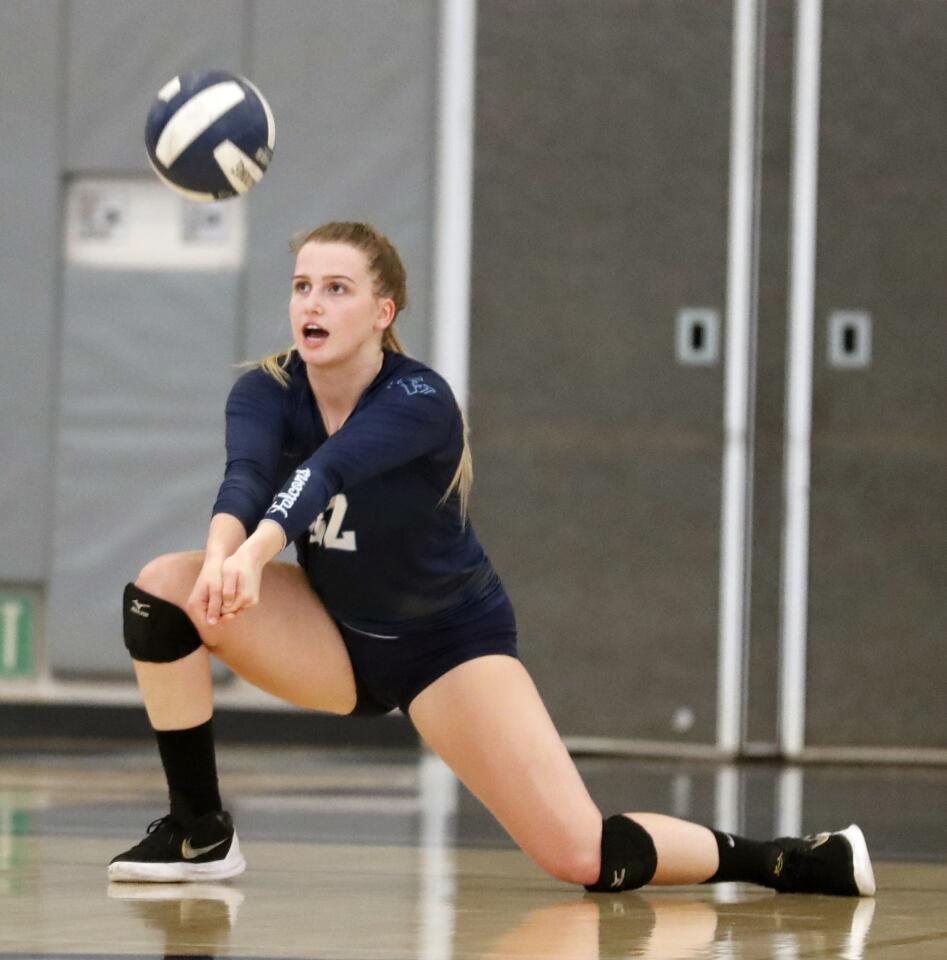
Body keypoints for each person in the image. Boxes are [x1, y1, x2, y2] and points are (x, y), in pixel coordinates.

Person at [108, 221, 875, 897]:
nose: (312, 304)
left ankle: (786, 861)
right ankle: (198, 830)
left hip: (446, 649)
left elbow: (326, 472)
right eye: (302, 286)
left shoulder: (419, 400)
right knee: (163, 590)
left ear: (383, 313)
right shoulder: (267, 389)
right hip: (330, 634)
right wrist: (222, 558)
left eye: (337, 289)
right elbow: (243, 477)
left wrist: (256, 554)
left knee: (583, 856)